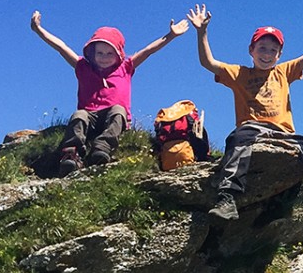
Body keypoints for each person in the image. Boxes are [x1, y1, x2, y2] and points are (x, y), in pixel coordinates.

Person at [186, 3, 303, 226]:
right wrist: (202, 32)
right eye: (262, 48)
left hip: (284, 133)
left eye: (272, 50)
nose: (267, 54)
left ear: (279, 54)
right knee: (238, 138)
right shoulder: (239, 73)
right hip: (252, 128)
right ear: (251, 50)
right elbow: (207, 62)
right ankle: (227, 199)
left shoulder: (284, 71)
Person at [31, 11, 189, 174]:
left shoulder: (126, 67)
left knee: (118, 111)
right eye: (99, 53)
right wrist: (39, 30)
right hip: (90, 116)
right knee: (79, 115)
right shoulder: (83, 68)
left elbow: (149, 50)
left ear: (118, 54)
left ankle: (102, 148)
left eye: (109, 53)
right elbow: (61, 47)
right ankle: (72, 153)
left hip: (113, 119)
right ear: (92, 53)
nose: (104, 57)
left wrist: (170, 36)